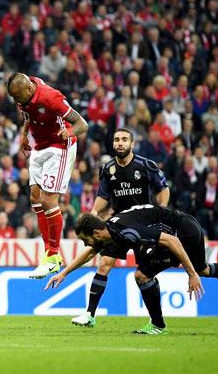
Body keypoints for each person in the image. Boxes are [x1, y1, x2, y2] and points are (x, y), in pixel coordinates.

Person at [45, 206, 218, 334]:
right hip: (188, 225)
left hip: (182, 232)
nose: (86, 245)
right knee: (203, 269)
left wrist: (189, 273)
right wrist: (64, 272)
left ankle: (157, 325)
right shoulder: (111, 228)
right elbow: (91, 253)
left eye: (85, 240)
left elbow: (171, 241)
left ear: (95, 234)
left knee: (142, 275)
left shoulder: (127, 231)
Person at [71, 128, 170, 327]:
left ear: (132, 144)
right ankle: (89, 315)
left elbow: (163, 189)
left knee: (145, 274)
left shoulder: (146, 165)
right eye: (117, 139)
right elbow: (103, 196)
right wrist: (94, 211)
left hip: (143, 225)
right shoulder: (107, 169)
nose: (120, 143)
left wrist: (162, 212)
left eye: (125, 139)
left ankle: (156, 319)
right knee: (104, 264)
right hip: (119, 224)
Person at [7, 73, 88, 279]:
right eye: (14, 100)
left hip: (60, 146)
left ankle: (53, 256)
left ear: (29, 90)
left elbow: (82, 124)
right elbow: (27, 114)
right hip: (39, 145)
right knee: (35, 197)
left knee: (48, 199)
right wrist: (25, 134)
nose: (17, 102)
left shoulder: (51, 97)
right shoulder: (23, 94)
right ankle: (48, 254)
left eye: (19, 98)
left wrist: (70, 133)